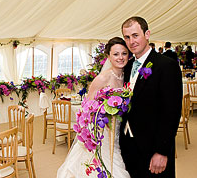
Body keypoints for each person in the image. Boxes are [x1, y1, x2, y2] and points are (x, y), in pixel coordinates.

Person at [57, 37, 131, 178]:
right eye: (116, 54)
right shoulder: (103, 78)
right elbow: (87, 107)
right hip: (102, 133)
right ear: (108, 56)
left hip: (119, 131)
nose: (120, 58)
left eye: (124, 53)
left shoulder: (126, 76)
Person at [119, 16, 182, 177]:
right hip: (128, 146)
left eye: (135, 35)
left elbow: (171, 112)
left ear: (147, 34)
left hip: (153, 149)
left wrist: (162, 151)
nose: (131, 41)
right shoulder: (127, 67)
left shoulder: (167, 65)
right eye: (127, 37)